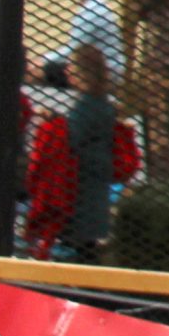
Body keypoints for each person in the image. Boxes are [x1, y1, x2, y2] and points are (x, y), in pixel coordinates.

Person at [60, 42, 117, 263]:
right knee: (89, 245)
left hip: (81, 185)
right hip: (97, 183)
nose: (67, 72)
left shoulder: (84, 109)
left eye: (71, 67)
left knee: (81, 245)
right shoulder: (104, 104)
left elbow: (73, 141)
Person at [38, 0, 123, 85]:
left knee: (36, 72)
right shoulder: (97, 6)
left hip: (103, 72)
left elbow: (73, 50)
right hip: (106, 68)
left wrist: (41, 61)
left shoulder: (91, 12)